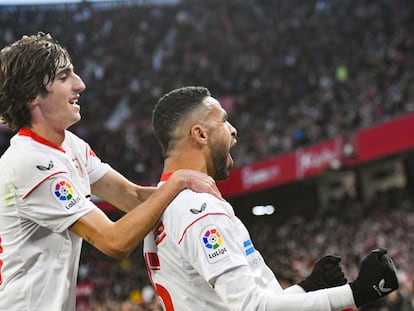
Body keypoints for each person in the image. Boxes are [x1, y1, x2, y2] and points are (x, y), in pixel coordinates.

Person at [0, 33, 222, 311]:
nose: (80, 83)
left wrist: (200, 207)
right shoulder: (30, 162)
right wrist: (178, 180)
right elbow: (114, 241)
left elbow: (131, 196)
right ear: (32, 94)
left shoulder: (70, 144)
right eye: (64, 76)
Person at [143, 86, 399, 310]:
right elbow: (254, 308)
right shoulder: (199, 208)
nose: (233, 130)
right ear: (200, 135)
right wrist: (358, 292)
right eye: (223, 121)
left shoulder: (159, 208)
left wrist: (307, 288)